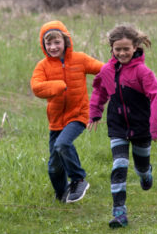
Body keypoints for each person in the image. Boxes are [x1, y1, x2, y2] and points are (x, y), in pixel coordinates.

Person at [88, 24, 157, 228]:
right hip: (118, 126)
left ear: (135, 47)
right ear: (111, 49)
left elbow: (156, 97)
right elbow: (99, 91)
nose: (122, 53)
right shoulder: (107, 70)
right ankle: (119, 212)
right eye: (117, 49)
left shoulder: (143, 72)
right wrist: (95, 113)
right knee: (119, 164)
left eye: (126, 49)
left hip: (141, 127)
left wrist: (156, 127)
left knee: (140, 167)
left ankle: (146, 173)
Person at [31, 20, 103, 203]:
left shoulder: (80, 59)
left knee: (62, 144)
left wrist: (123, 67)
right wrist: (58, 86)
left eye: (57, 42)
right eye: (49, 43)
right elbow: (36, 87)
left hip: (78, 114)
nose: (53, 47)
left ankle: (78, 180)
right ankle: (62, 195)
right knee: (54, 166)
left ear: (66, 41)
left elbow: (103, 70)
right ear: (43, 45)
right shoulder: (42, 66)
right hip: (55, 120)